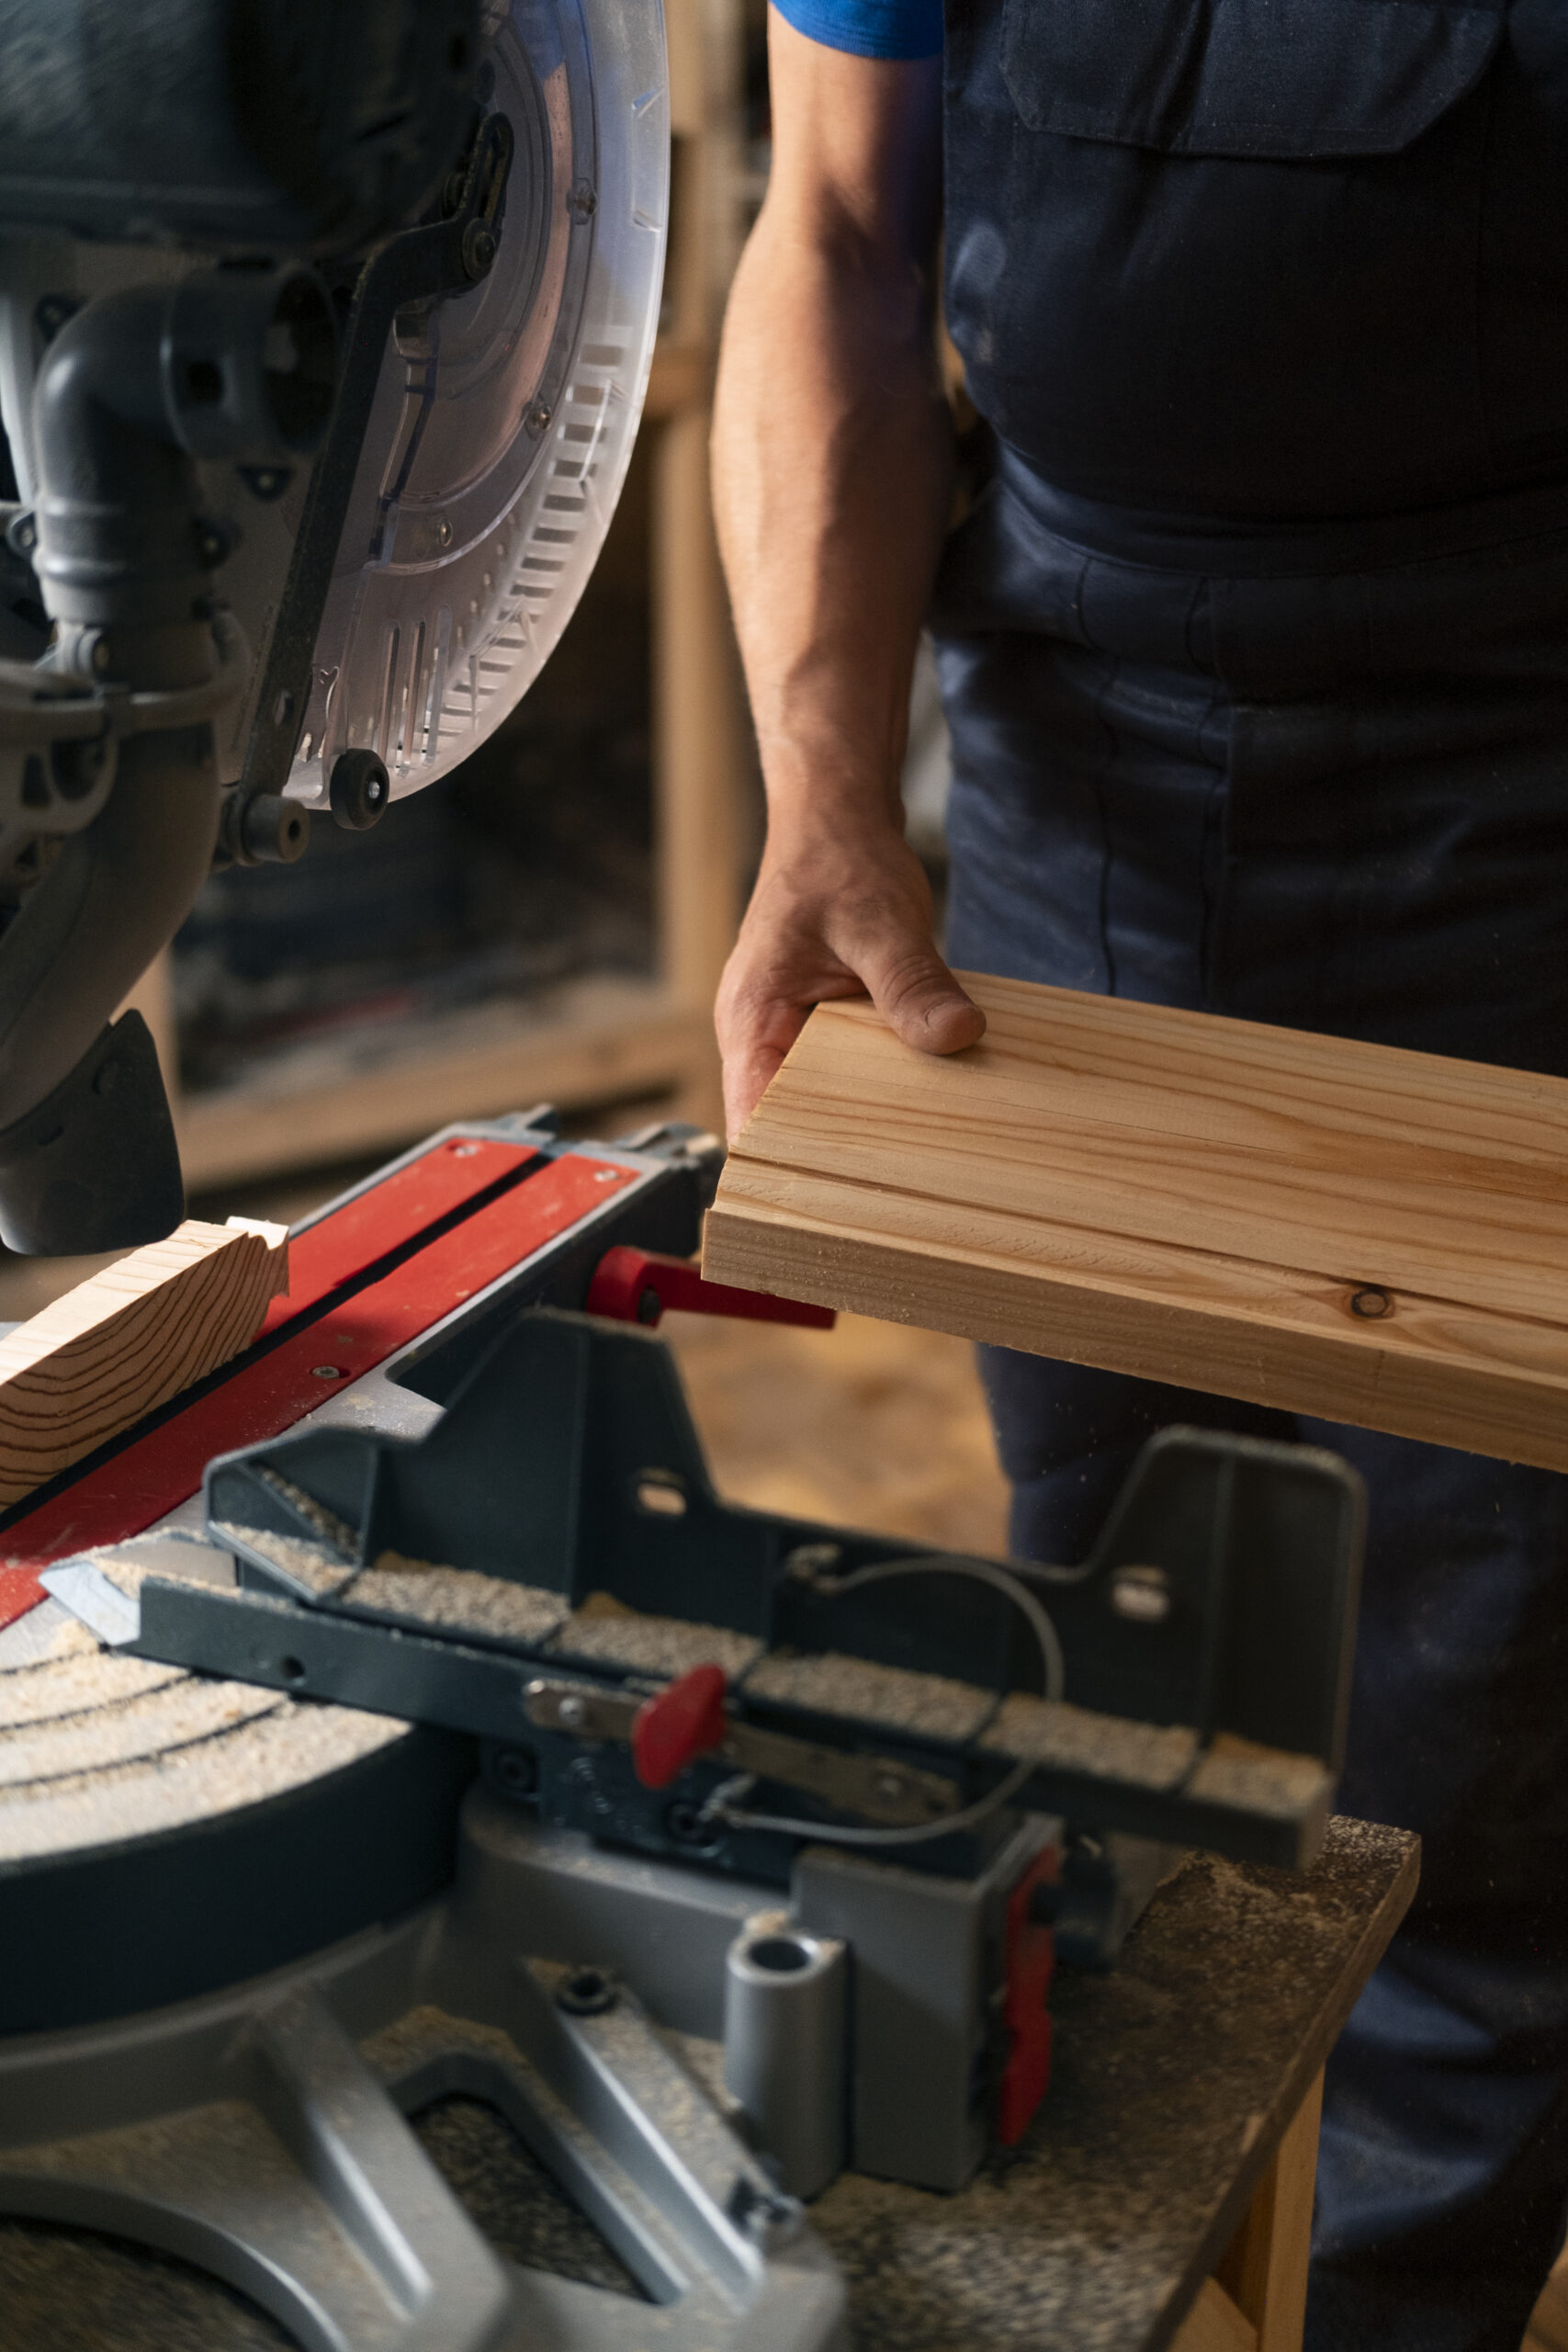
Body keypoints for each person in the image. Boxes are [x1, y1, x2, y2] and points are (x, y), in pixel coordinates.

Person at [709, 4, 1568, 2345]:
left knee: (1470, 1743)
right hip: (1079, 757)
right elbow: (842, 238)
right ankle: (1089, 2293)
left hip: (1522, 779)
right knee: (1108, 1655)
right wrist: (818, 780)